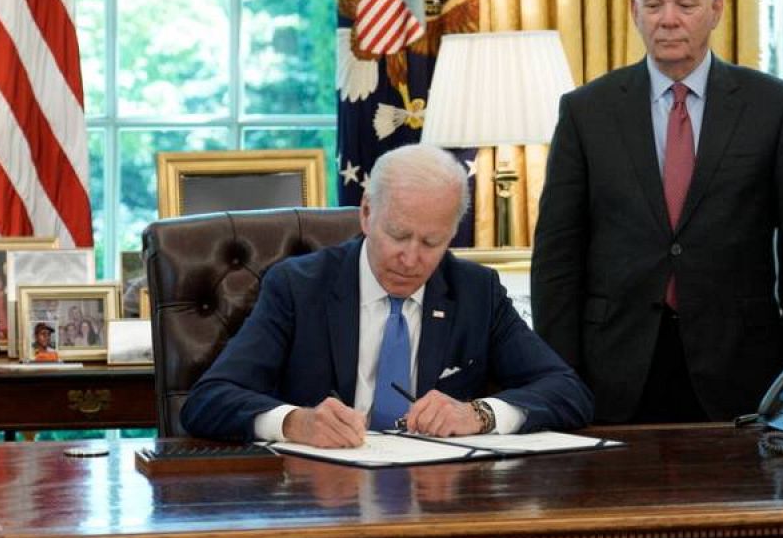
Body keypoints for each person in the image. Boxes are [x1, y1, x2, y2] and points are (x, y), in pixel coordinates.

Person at [532, 0, 783, 424]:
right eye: (653, 5)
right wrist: (554, 376)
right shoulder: (587, 111)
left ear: (715, 11)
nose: (667, 19)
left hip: (742, 369)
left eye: (685, 5)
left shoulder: (773, 107)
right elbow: (557, 256)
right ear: (635, 12)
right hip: (612, 369)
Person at [182, 144, 594, 446]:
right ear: (366, 213)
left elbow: (567, 392)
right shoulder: (298, 287)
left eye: (432, 242)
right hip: (322, 501)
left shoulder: (475, 292)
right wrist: (294, 423)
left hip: (438, 503)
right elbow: (207, 401)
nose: (411, 258)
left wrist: (479, 415)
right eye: (398, 235)